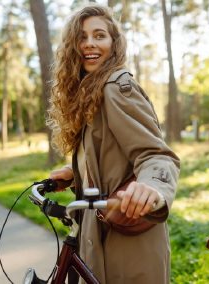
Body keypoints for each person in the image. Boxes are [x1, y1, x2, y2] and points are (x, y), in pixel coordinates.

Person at [47, 3, 180, 284]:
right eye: (81, 37)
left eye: (99, 35)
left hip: (126, 242)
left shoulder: (116, 86)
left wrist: (153, 189)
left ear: (114, 43)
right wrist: (77, 173)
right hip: (103, 232)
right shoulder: (92, 90)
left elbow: (155, 154)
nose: (89, 44)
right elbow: (110, 154)